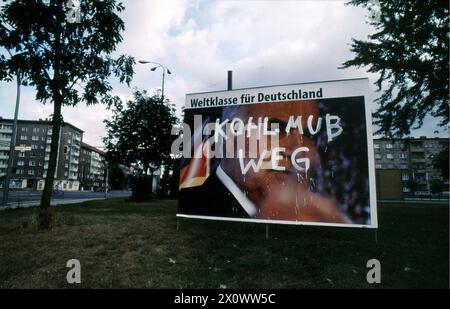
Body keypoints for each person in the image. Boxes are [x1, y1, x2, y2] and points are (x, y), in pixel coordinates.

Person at [178, 99, 350, 224]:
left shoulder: (316, 217)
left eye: (309, 135)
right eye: (276, 129)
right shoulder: (191, 206)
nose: (298, 149)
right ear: (229, 138)